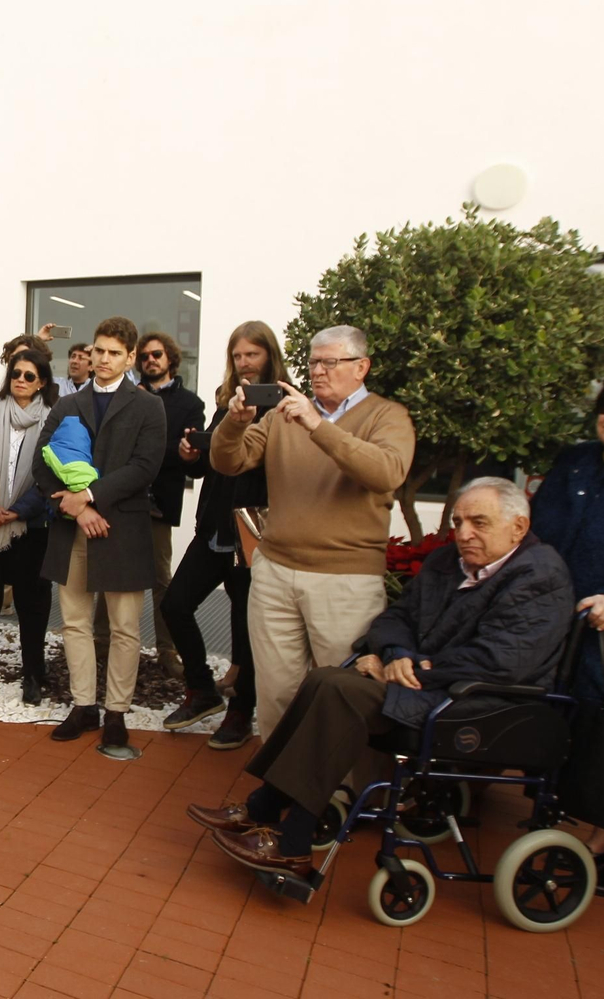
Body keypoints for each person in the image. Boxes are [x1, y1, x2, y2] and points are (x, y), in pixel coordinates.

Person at [188, 479, 572, 878]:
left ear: (519, 527)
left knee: (339, 689)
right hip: (431, 685)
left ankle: (288, 838)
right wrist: (397, 654)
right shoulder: (448, 562)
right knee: (324, 681)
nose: (463, 533)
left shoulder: (538, 575)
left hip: (481, 701)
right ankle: (266, 809)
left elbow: (503, 660)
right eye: (458, 521)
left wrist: (414, 668)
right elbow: (395, 617)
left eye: (479, 522)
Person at [210, 324, 415, 740]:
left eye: (330, 362)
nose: (318, 371)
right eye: (313, 362)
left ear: (362, 367)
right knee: (277, 694)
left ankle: (341, 799)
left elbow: (385, 471)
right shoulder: (284, 415)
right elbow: (228, 461)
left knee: (344, 695)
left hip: (346, 581)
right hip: (275, 574)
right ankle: (276, 796)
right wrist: (234, 423)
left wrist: (318, 426)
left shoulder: (387, 416)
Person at [531, 367, 604, 897]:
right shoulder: (574, 461)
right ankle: (598, 832)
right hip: (566, 619)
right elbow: (537, 529)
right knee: (583, 725)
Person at [35, 316, 166, 755]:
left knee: (125, 628)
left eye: (113, 353)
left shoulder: (149, 407)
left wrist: (89, 496)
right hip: (73, 528)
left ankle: (116, 713)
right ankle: (84, 705)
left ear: (130, 357)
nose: (103, 359)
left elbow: (145, 467)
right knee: (74, 622)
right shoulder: (68, 404)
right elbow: (42, 462)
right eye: (98, 351)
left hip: (122, 529)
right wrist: (75, 505)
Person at [161, 321, 280, 749]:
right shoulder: (228, 401)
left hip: (253, 532)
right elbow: (212, 463)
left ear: (269, 356)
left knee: (247, 628)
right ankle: (202, 689)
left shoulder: (284, 404)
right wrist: (192, 454)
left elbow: (263, 461)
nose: (244, 363)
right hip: (214, 529)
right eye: (237, 356)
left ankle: (239, 714)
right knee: (175, 604)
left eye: (253, 354)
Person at [0, 349, 57, 703]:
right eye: (16, 373)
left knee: (30, 602)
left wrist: (16, 511)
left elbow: (50, 475)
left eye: (29, 376)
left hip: (30, 526)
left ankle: (33, 673)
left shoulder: (52, 419)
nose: (20, 379)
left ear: (42, 382)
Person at [136, 331, 206, 679]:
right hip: (121, 499)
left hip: (160, 501)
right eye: (145, 355)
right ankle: (102, 644)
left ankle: (166, 649)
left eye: (157, 354)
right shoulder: (126, 396)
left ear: (171, 359)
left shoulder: (190, 403)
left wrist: (145, 455)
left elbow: (188, 451)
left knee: (161, 578)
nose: (151, 360)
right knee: (110, 574)